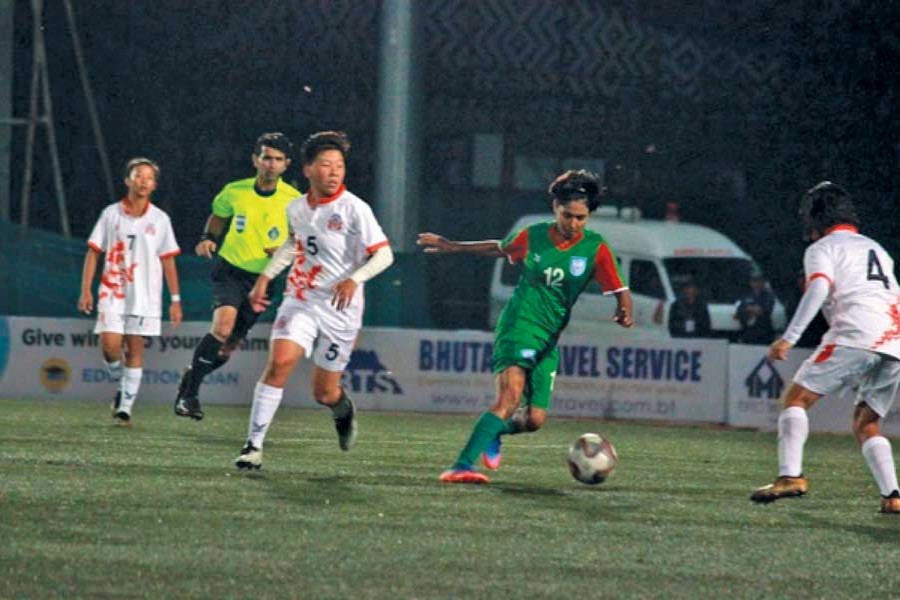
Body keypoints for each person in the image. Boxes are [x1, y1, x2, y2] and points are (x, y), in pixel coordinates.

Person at [417, 169, 633, 484]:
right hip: (519, 324)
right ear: (555, 208)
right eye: (568, 215)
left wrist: (624, 310)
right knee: (509, 399)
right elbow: (498, 248)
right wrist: (452, 246)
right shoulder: (534, 236)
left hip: (549, 338)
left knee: (534, 420)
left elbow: (619, 288)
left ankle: (495, 432)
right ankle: (462, 465)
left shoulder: (595, 247)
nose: (573, 224)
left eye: (581, 218)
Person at [233, 131, 394, 469]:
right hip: (301, 298)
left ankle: (342, 409)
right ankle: (253, 446)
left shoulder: (354, 209)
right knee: (279, 363)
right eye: (326, 165)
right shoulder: (297, 209)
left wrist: (355, 278)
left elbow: (384, 256)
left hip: (340, 309)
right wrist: (266, 276)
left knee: (323, 393)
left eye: (339, 165)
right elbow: (295, 244)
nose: (334, 172)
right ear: (307, 170)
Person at [750, 181, 900, 514]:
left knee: (795, 400)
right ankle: (893, 495)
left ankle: (791, 476)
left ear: (816, 218)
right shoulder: (876, 247)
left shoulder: (824, 248)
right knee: (867, 423)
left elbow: (818, 287)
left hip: (856, 331)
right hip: (894, 339)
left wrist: (789, 336)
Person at [174, 132, 300, 420]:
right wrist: (208, 237)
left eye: (278, 159)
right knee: (222, 327)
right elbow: (219, 214)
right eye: (266, 157)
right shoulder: (235, 191)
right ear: (255, 160)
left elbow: (299, 239)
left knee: (228, 347)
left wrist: (283, 252)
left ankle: (191, 378)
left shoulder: (294, 201)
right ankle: (190, 397)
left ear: (286, 164)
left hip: (264, 280)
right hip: (230, 270)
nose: (271, 164)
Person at [78, 157, 182, 425]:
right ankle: (122, 385)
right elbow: (93, 252)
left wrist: (175, 299)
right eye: (138, 175)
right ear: (127, 180)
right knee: (110, 348)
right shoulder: (110, 214)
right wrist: (85, 290)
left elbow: (168, 258)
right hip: (113, 291)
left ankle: (125, 407)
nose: (143, 181)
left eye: (149, 177)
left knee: (135, 347)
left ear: (155, 184)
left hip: (145, 296)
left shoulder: (160, 219)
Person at [783, 269, 829, 348]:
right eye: (801, 278)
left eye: (805, 278)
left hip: (819, 339)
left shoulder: (821, 294)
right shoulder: (793, 296)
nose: (803, 281)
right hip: (798, 340)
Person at [733, 273, 776, 344]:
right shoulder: (746, 295)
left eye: (759, 281)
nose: (756, 284)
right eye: (754, 281)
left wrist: (750, 309)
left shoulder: (768, 296)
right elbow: (739, 311)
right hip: (748, 332)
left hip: (763, 332)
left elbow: (765, 310)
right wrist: (750, 309)